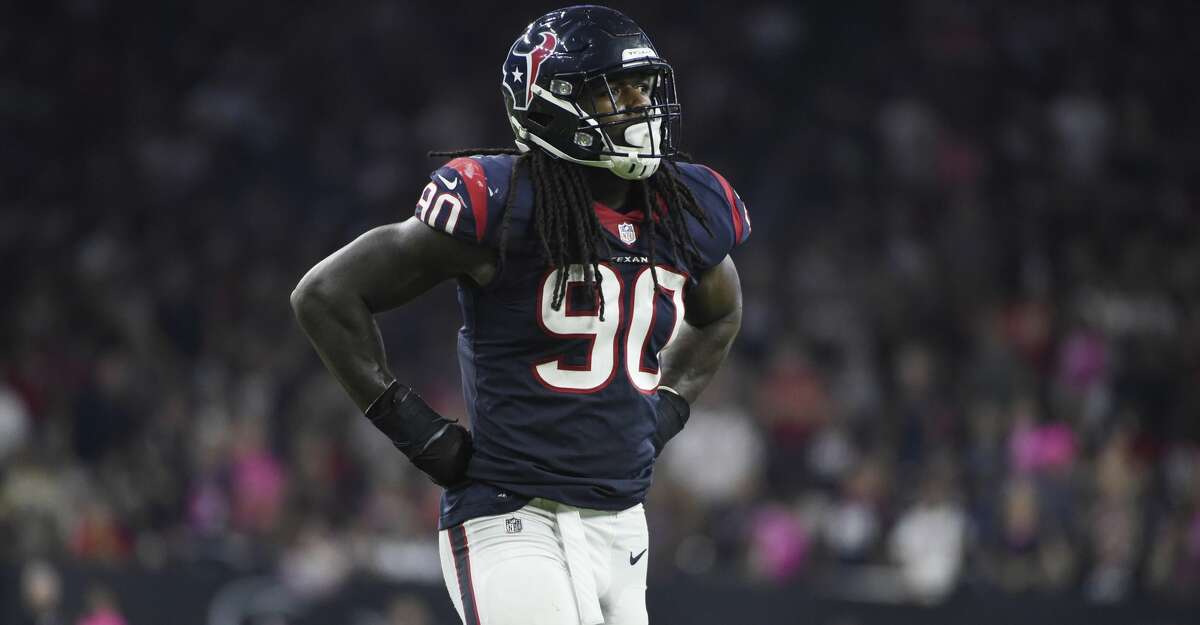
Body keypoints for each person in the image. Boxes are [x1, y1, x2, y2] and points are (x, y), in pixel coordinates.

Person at [291, 5, 749, 624]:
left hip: (621, 523)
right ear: (553, 104)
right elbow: (324, 295)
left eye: (645, 86)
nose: (641, 105)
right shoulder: (504, 204)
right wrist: (416, 430)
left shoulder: (687, 203)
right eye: (615, 92)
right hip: (512, 512)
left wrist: (668, 407)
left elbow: (719, 314)